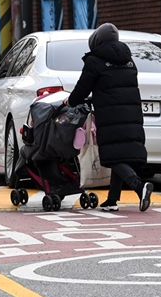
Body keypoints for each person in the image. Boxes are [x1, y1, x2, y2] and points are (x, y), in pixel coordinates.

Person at [64, 23, 153, 212]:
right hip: (132, 114)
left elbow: (82, 88)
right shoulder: (129, 61)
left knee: (112, 156)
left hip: (110, 115)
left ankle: (139, 186)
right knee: (120, 154)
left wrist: (70, 102)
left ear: (96, 41)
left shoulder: (94, 61)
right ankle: (112, 200)